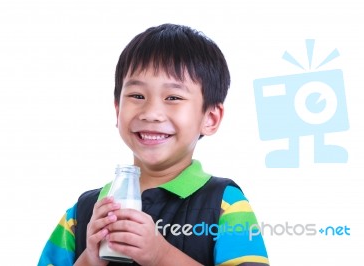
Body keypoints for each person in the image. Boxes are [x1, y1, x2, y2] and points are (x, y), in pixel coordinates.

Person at [38, 23, 269, 266]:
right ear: (117, 110)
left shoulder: (224, 204)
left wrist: (160, 255)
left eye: (173, 98)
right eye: (137, 96)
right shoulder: (83, 213)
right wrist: (90, 258)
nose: (151, 113)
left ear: (210, 118)